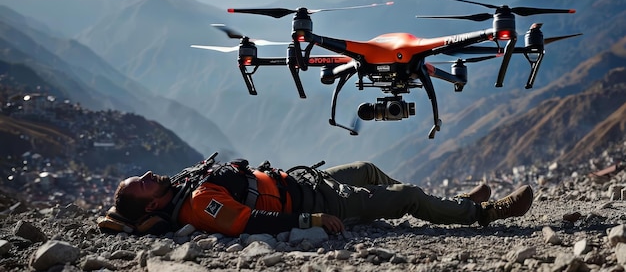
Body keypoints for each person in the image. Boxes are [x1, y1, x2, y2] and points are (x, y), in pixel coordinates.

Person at [112, 157, 533, 236]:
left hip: (304, 182)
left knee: (367, 169)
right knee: (405, 195)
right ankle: (483, 213)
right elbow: (250, 222)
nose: (149, 175)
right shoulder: (201, 203)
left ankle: (446, 204)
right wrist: (307, 222)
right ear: (152, 205)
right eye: (143, 184)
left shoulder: (182, 186)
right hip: (313, 203)